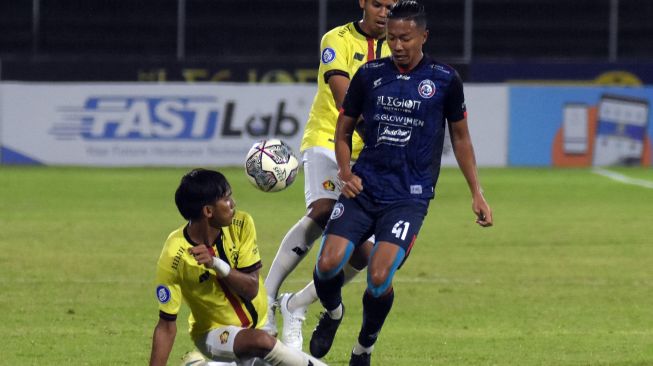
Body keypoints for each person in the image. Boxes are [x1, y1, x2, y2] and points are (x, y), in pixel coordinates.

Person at [309, 1, 493, 365]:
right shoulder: (370, 74)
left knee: (378, 277)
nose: (397, 45)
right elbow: (343, 131)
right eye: (392, 38)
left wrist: (477, 192)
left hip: (408, 197)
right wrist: (346, 174)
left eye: (405, 38)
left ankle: (364, 345)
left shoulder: (444, 80)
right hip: (364, 186)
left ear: (423, 36)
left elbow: (460, 138)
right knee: (328, 264)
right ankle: (332, 313)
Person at [262, 0, 398, 351]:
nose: (385, 12)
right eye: (379, 4)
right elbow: (344, 99)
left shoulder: (400, 45)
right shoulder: (336, 39)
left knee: (364, 255)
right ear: (363, 3)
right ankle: (268, 298)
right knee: (322, 210)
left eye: (392, 5)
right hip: (328, 136)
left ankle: (299, 303)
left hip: (369, 150)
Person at [149, 169, 327, 366]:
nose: (233, 204)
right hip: (214, 333)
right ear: (208, 211)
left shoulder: (241, 224)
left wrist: (216, 264)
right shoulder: (174, 255)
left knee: (262, 349)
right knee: (262, 343)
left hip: (260, 324)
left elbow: (251, 289)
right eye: (226, 199)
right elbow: (166, 325)